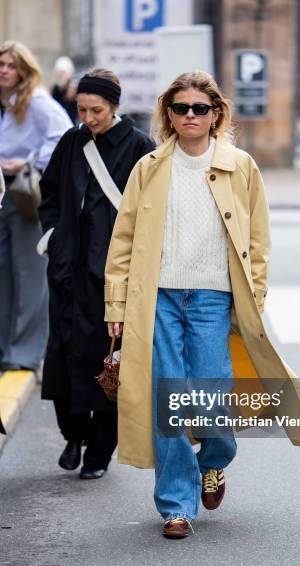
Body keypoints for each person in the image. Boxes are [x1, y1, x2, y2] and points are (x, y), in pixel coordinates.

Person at [105, 71, 300, 538]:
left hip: (213, 297)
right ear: (168, 114)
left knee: (211, 398)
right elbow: (122, 241)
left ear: (215, 114)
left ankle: (215, 461)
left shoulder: (240, 166)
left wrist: (254, 296)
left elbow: (259, 239)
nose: (189, 116)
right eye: (180, 108)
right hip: (158, 298)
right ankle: (176, 505)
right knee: (170, 396)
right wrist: (116, 308)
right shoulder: (149, 167)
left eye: (199, 109)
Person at [38, 68, 155, 480]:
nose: (88, 117)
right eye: (82, 109)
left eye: (97, 110)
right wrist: (52, 238)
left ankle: (100, 453)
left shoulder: (141, 147)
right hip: (67, 270)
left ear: (115, 107)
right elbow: (49, 192)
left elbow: (154, 209)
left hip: (113, 275)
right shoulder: (72, 142)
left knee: (110, 364)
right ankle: (74, 434)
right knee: (62, 357)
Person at [0, 40, 72, 372]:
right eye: (1, 64)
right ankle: (5, 348)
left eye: (11, 65)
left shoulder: (39, 102)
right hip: (2, 195)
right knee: (4, 275)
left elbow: (63, 136)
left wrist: (28, 163)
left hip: (23, 194)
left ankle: (26, 353)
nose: (4, 71)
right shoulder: (6, 103)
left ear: (24, 70)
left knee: (28, 275)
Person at [51, 56, 78, 124]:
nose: (61, 75)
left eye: (63, 73)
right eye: (59, 73)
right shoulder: (56, 89)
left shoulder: (74, 87)